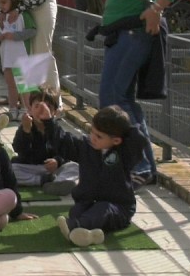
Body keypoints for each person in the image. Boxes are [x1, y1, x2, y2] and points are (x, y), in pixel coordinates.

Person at [48, 0, 186, 188]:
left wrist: (156, 8)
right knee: (121, 100)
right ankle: (142, 164)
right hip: (120, 35)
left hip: (134, 34)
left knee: (114, 99)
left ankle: (140, 165)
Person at [51, 104, 149, 247]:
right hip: (89, 202)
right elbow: (63, 142)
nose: (93, 138)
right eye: (92, 132)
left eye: (99, 136)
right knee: (77, 211)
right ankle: (92, 235)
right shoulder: (86, 146)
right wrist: (48, 121)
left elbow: (139, 141)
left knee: (102, 209)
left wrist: (125, 128)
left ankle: (75, 227)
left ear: (116, 140)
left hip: (118, 207)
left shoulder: (124, 153)